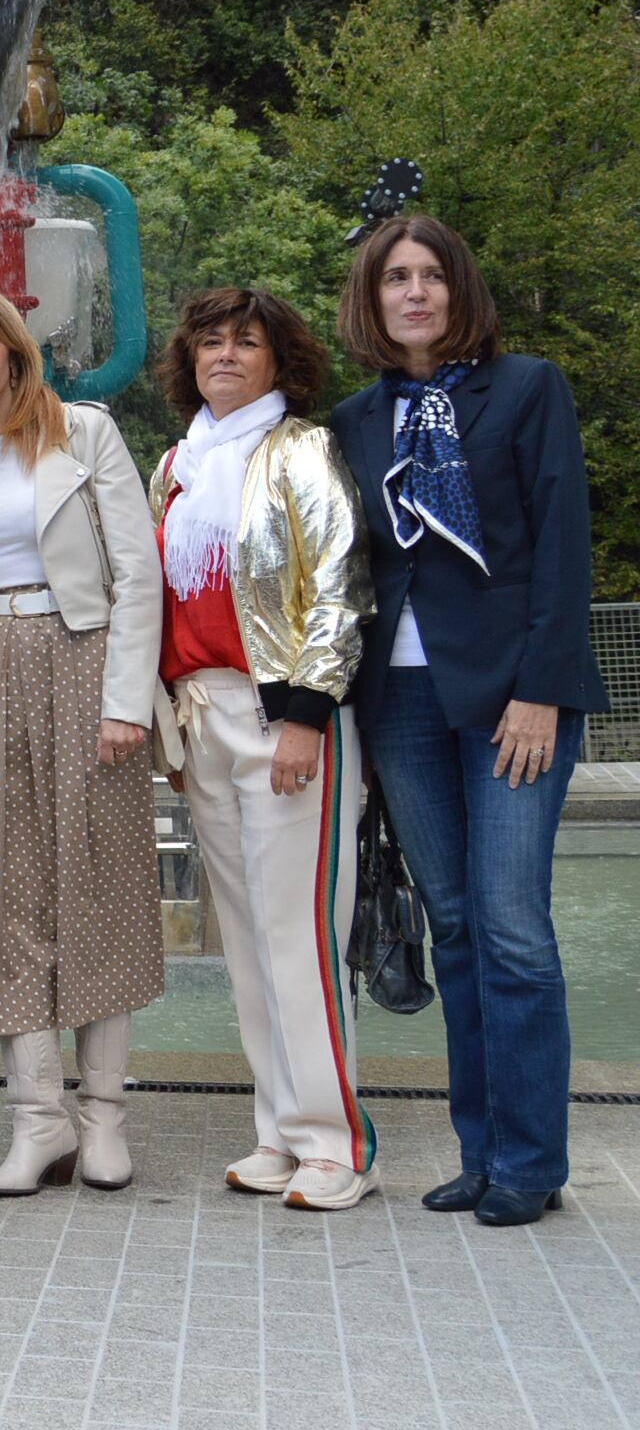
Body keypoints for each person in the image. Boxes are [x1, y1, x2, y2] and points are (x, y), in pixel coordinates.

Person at [333, 219, 602, 1227]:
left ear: (459, 288)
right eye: (394, 277)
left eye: (431, 274)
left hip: (509, 696)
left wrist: (539, 686)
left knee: (512, 928)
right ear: (371, 297)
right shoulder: (354, 417)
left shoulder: (525, 388)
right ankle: (479, 1150)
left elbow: (559, 540)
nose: (414, 291)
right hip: (398, 701)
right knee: (451, 927)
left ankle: (531, 1160)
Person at [0, 284, 164, 1198]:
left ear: (16, 348)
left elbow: (138, 571)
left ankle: (104, 1119)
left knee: (96, 881)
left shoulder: (81, 431)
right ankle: (37, 1121)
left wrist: (127, 700)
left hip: (84, 659)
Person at [149, 285, 376, 1211]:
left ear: (281, 361)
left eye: (247, 343)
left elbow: (340, 582)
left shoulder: (301, 450)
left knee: (301, 934)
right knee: (242, 938)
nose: (226, 356)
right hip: (202, 717)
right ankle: (278, 1129)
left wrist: (308, 714)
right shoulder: (176, 464)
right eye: (211, 342)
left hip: (283, 717)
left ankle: (336, 1143)